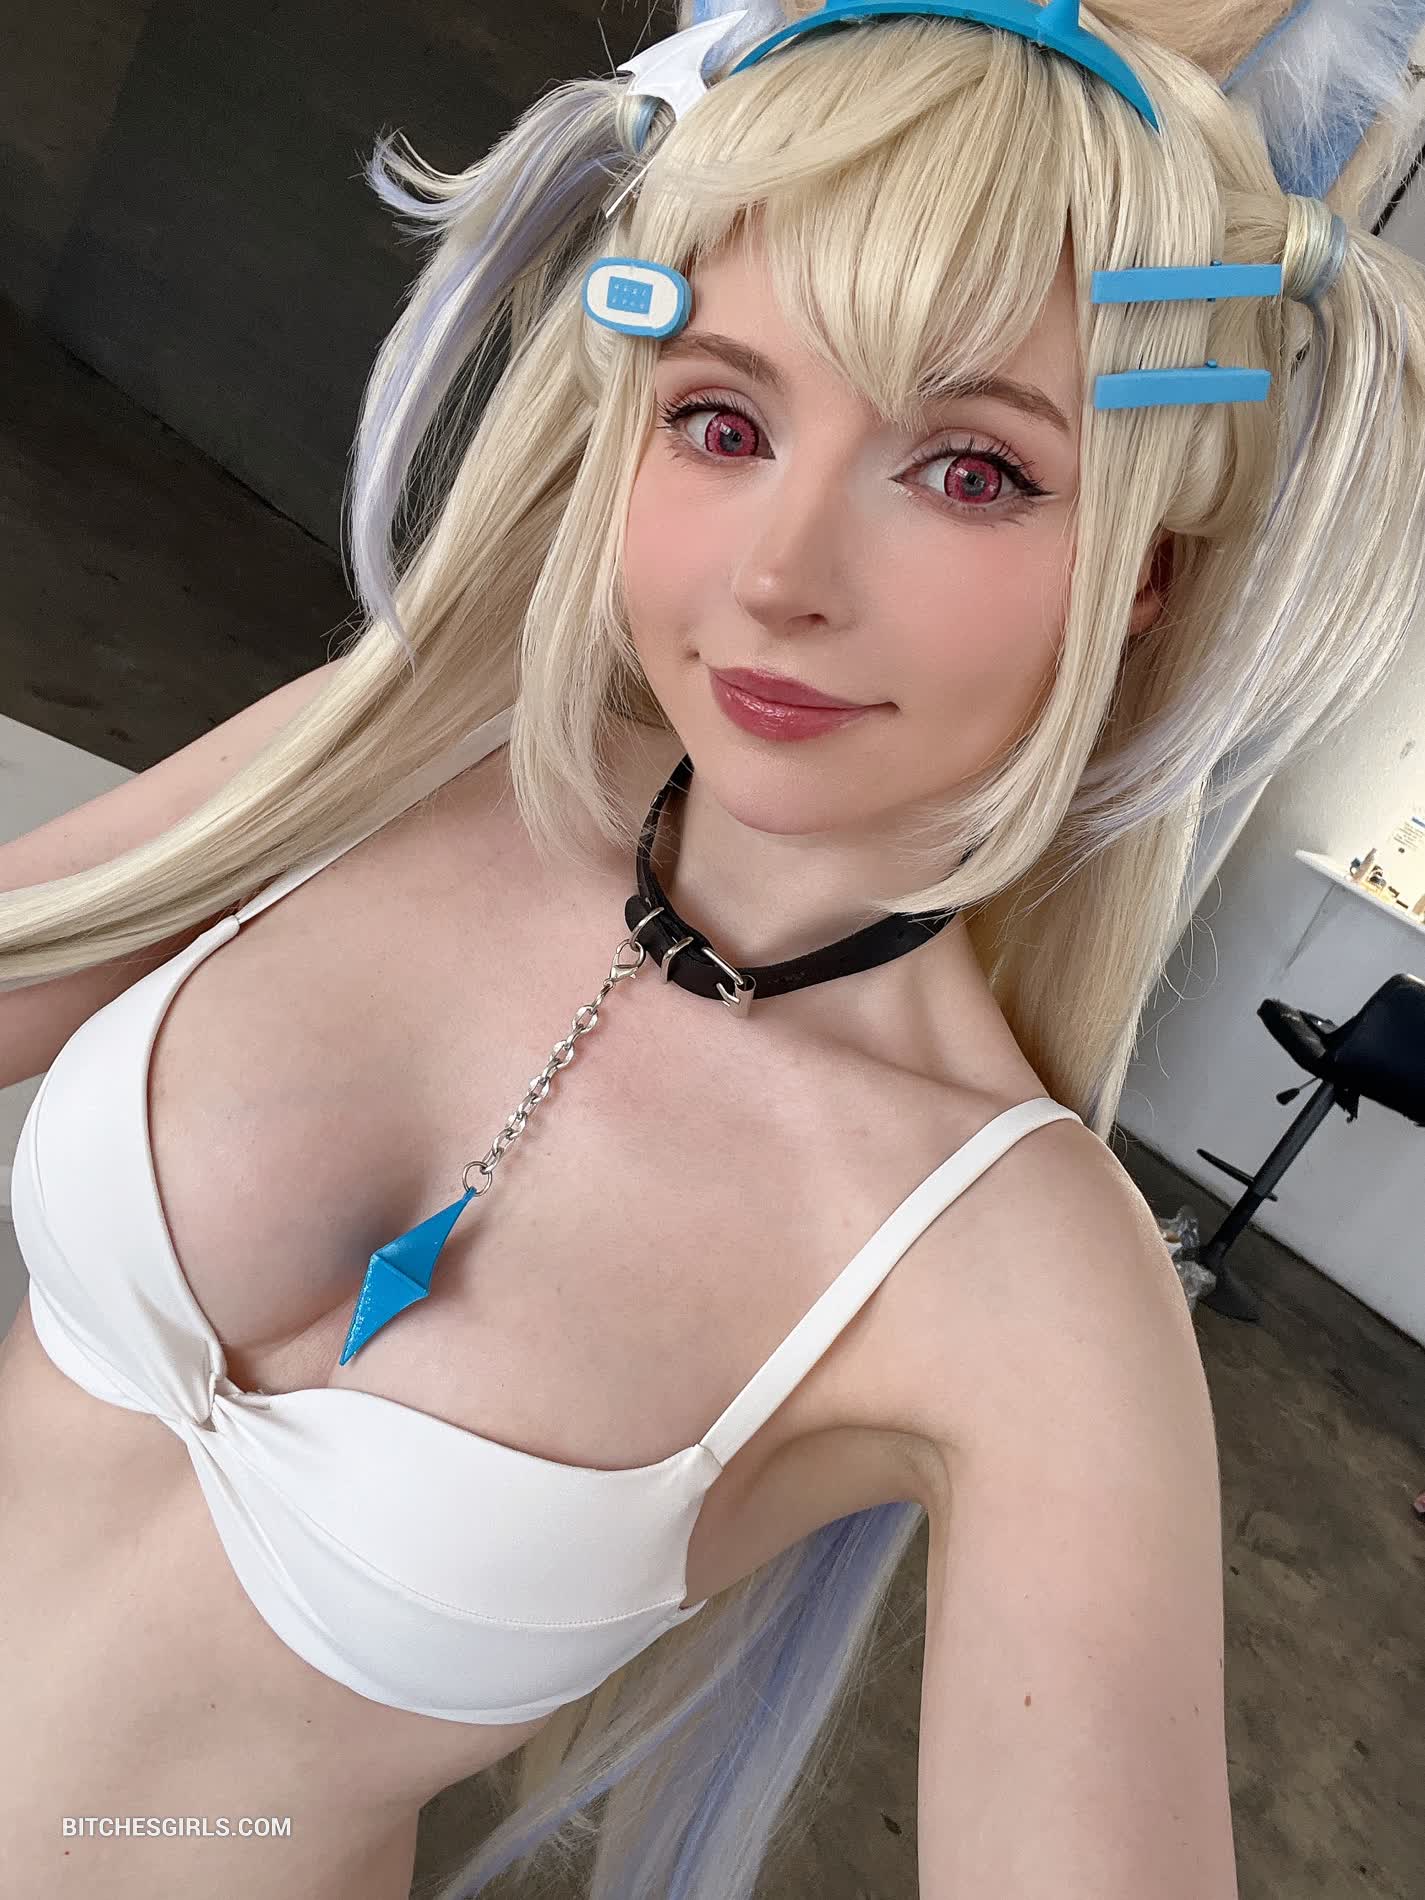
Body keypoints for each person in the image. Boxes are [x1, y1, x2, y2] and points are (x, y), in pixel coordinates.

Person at [1, 2, 1422, 1896]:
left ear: (1145, 574)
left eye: (970, 470)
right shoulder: (408, 754)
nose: (776, 575)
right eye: (723, 424)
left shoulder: (1018, 1281)